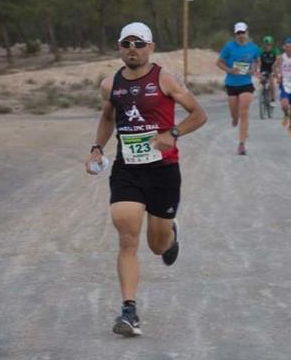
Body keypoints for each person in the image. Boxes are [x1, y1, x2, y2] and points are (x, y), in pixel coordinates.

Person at [85, 22, 207, 337]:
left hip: (164, 171)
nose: (133, 49)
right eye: (127, 43)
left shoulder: (166, 79)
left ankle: (170, 234)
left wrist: (174, 133)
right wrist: (97, 148)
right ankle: (129, 310)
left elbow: (198, 114)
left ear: (150, 47)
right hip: (128, 170)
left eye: (139, 43)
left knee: (156, 245)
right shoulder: (109, 84)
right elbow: (108, 117)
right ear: (119, 47)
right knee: (127, 236)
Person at [216, 21, 260, 155]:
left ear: (247, 33)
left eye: (243, 32)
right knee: (234, 113)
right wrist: (230, 70)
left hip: (246, 84)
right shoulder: (229, 47)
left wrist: (254, 68)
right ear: (235, 34)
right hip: (231, 84)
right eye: (238, 33)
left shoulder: (253, 47)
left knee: (244, 112)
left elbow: (257, 60)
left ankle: (242, 143)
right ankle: (234, 118)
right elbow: (219, 62)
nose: (241, 35)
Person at [258, 36, 279, 104]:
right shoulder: (260, 50)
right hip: (263, 67)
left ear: (272, 45)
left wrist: (275, 68)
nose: (267, 46)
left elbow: (278, 60)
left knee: (271, 82)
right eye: (265, 44)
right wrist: (258, 69)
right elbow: (257, 60)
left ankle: (272, 99)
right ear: (263, 44)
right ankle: (264, 93)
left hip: (272, 68)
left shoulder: (275, 50)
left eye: (269, 45)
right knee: (262, 80)